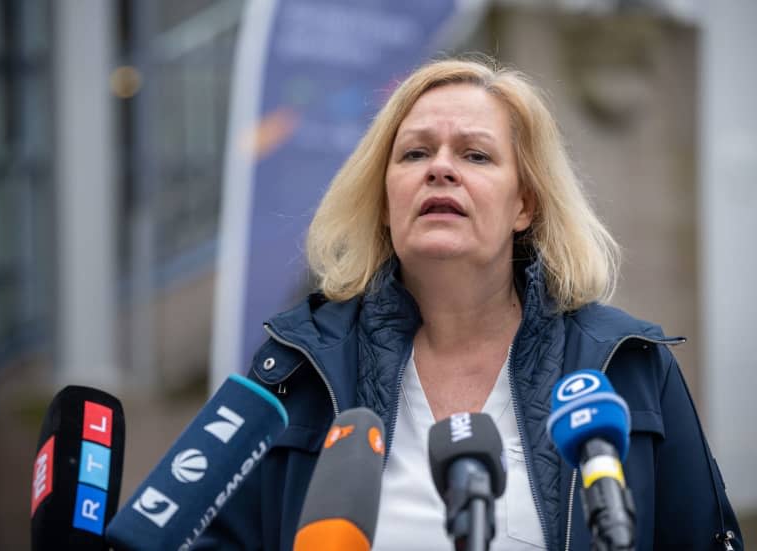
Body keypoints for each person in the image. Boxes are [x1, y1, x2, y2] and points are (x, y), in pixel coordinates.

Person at [195, 57, 743, 550]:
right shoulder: (295, 368)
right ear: (385, 200)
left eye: (475, 155)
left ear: (524, 204)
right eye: (414, 153)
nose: (440, 168)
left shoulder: (628, 366)